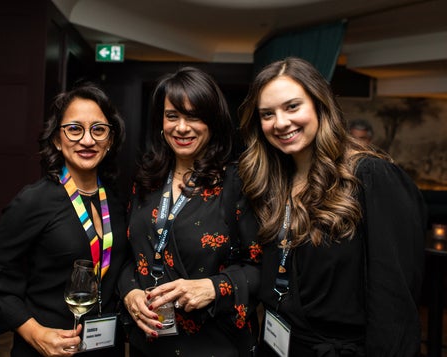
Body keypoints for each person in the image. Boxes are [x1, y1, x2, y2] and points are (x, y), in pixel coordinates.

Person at [238, 57, 426, 356]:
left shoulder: (370, 176)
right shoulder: (274, 181)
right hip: (281, 344)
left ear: (319, 104)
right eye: (267, 114)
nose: (281, 122)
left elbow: (395, 304)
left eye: (292, 106)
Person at [0, 83, 129, 356]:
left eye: (98, 130)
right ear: (57, 139)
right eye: (74, 129)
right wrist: (36, 334)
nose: (88, 140)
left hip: (103, 347)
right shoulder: (33, 201)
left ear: (110, 140)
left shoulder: (116, 201)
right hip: (46, 349)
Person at [119, 67, 262, 356]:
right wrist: (129, 292)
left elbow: (259, 268)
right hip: (148, 343)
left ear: (213, 123)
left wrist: (213, 288)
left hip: (212, 345)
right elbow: (129, 256)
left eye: (194, 116)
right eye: (172, 116)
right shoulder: (147, 180)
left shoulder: (237, 184)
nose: (182, 127)